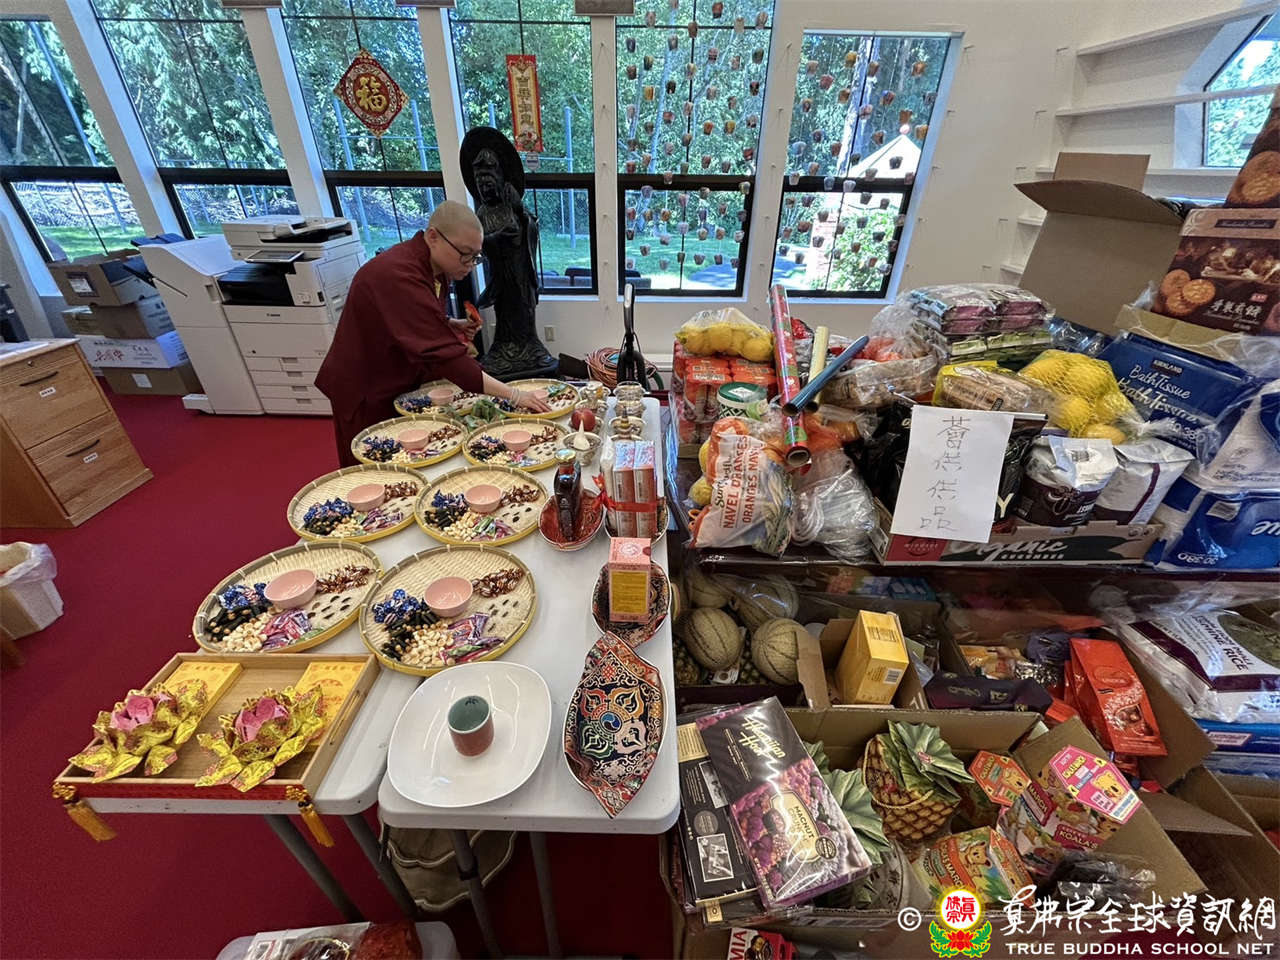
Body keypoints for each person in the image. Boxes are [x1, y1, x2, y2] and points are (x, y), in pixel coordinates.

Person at [315, 200, 550, 466]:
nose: (470, 264)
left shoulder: (435, 266)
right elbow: (447, 358)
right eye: (465, 254)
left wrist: (448, 323)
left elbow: (413, 316)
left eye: (476, 256)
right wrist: (515, 395)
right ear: (433, 236)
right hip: (366, 385)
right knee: (375, 460)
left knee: (410, 450)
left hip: (399, 375)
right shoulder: (397, 274)